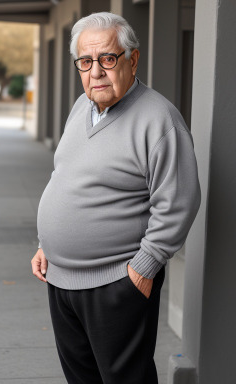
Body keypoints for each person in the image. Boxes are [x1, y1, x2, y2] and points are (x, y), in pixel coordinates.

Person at [31, 12, 201, 384]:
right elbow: (66, 175)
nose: (96, 72)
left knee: (126, 379)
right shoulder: (81, 108)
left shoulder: (159, 120)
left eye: (107, 58)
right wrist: (48, 244)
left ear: (132, 59)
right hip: (61, 279)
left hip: (116, 282)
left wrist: (144, 267)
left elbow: (179, 201)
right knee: (82, 378)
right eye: (86, 62)